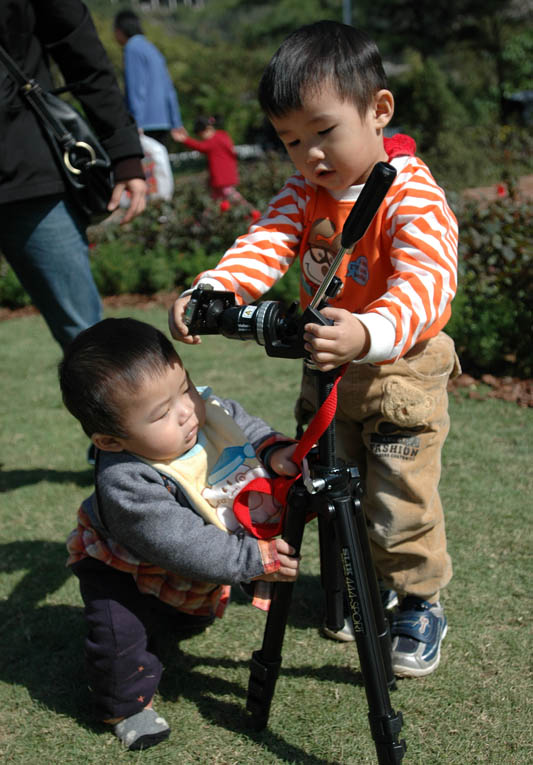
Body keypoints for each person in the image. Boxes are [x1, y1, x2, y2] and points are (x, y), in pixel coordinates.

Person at [169, 21, 460, 679]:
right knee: (330, 485)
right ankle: (351, 584)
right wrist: (215, 287)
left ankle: (417, 598)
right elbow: (266, 239)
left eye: (323, 132)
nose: (309, 156)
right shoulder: (306, 194)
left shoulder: (408, 193)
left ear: (377, 110)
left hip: (398, 372)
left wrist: (369, 330)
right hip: (326, 370)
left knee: (398, 497)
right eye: (291, 141)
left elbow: (427, 280)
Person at [59, 317, 300, 751]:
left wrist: (274, 450)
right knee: (121, 636)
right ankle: (124, 707)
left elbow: (245, 429)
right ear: (111, 441)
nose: (187, 409)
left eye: (184, 387)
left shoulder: (204, 414)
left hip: (187, 565)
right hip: (121, 567)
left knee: (184, 619)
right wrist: (252, 560)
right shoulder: (127, 482)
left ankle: (170, 623)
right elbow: (183, 543)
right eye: (162, 412)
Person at [0, 0, 146, 351]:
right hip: (29, 177)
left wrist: (124, 152)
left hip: (26, 173)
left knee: (93, 346)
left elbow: (80, 51)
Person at [113, 9, 183, 150]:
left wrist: (136, 122)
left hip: (145, 124)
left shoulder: (132, 48)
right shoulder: (152, 49)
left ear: (120, 30)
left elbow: (136, 89)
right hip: (163, 122)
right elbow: (169, 90)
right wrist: (176, 122)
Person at [173, 115, 259, 215]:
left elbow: (200, 146)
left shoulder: (214, 141)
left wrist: (184, 139)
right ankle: (208, 219)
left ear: (207, 130)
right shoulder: (222, 136)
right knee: (215, 200)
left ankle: (252, 212)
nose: (201, 138)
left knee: (232, 197)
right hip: (224, 177)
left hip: (222, 178)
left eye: (201, 135)